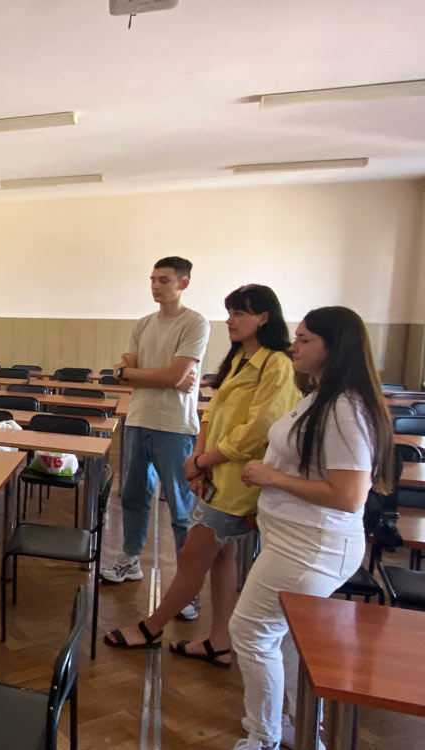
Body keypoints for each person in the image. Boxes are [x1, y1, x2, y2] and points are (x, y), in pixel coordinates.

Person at [104, 285, 299, 664]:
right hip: (216, 471)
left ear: (264, 317)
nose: (230, 320)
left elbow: (260, 428)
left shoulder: (277, 363)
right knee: (222, 558)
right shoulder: (239, 358)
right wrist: (198, 458)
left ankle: (151, 627)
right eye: (230, 312)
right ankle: (219, 642)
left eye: (239, 313)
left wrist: (205, 460)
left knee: (194, 554)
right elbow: (211, 412)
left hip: (240, 480)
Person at [228, 306, 393, 750]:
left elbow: (349, 495)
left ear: (334, 348)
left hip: (310, 546)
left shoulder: (345, 409)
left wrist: (272, 477)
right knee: (283, 635)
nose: (293, 346)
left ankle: (263, 736)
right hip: (295, 539)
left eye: (304, 340)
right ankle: (297, 727)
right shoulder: (322, 395)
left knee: (250, 631)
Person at [102, 257, 210, 621]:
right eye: (152, 279)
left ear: (183, 283)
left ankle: (187, 588)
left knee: (181, 508)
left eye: (163, 280)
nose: (155, 286)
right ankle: (130, 559)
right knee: (133, 495)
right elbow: (130, 372)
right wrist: (156, 376)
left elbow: (174, 374)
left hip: (175, 425)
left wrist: (134, 374)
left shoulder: (194, 322)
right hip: (138, 420)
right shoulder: (143, 323)